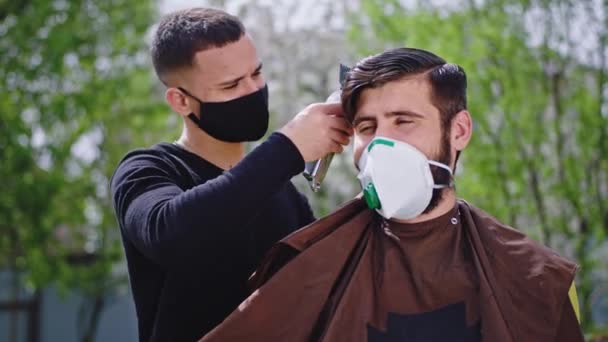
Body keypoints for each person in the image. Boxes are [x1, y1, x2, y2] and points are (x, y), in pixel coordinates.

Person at [197, 47, 583, 342]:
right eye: (367, 127)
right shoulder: (308, 267)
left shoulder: (537, 277)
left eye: (404, 121)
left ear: (459, 131)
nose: (381, 144)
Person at [110, 7, 352, 342]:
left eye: (257, 73)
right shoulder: (146, 171)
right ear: (180, 100)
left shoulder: (283, 194)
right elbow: (172, 235)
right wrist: (289, 148)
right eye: (231, 85)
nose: (253, 90)